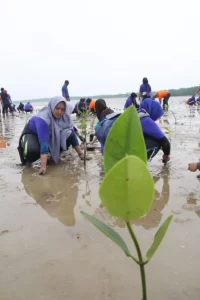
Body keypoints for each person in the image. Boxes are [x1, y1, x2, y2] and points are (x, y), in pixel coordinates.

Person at [17, 96, 89, 175]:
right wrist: (43, 167)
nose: (60, 112)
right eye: (57, 108)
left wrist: (81, 155)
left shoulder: (64, 117)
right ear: (52, 107)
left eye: (62, 109)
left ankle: (51, 157)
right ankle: (27, 161)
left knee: (68, 134)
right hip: (32, 133)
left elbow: (72, 134)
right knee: (32, 151)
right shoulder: (43, 119)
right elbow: (44, 143)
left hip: (48, 134)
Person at [95, 98, 170, 162]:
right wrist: (165, 157)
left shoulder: (132, 114)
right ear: (154, 111)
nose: (157, 118)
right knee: (157, 142)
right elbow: (166, 143)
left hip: (108, 155)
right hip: (121, 156)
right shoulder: (145, 119)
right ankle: (136, 164)